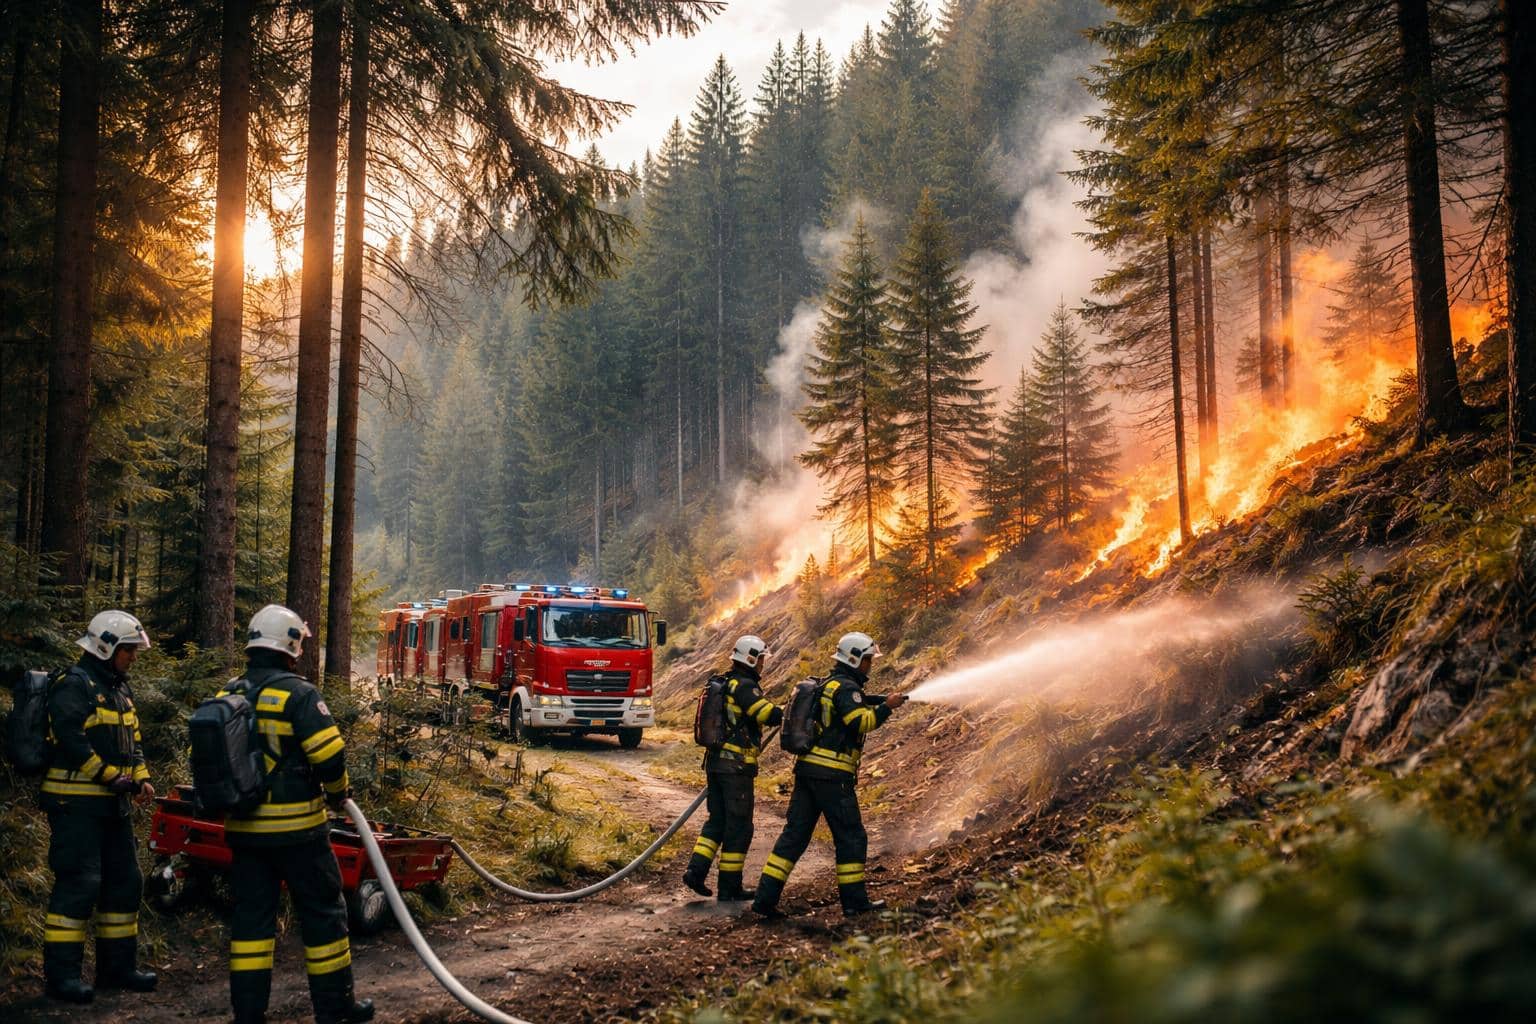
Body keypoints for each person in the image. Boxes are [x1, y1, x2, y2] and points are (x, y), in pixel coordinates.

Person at [221, 604, 372, 1024]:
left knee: (251, 925)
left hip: (244, 833)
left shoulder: (228, 693)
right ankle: (335, 1009)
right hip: (299, 834)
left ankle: (248, 1015)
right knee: (323, 916)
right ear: (289, 646)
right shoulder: (299, 694)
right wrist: (339, 794)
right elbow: (329, 756)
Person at [40, 610, 158, 1003]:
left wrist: (141, 777)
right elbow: (70, 740)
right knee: (80, 884)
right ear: (105, 647)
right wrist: (109, 777)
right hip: (74, 804)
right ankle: (61, 978)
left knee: (126, 882)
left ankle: (117, 969)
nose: (133, 657)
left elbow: (133, 741)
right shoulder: (74, 685)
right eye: (128, 650)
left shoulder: (119, 689)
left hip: (112, 806)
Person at [751, 631, 907, 919]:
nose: (870, 664)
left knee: (794, 836)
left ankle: (764, 899)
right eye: (868, 659)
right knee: (851, 837)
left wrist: (879, 700)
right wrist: (886, 707)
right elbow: (861, 721)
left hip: (807, 772)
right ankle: (854, 903)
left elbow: (851, 707)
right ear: (855, 659)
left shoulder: (830, 684)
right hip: (833, 776)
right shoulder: (846, 688)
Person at [682, 635, 783, 902]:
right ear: (750, 659)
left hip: (716, 764)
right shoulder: (745, 686)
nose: (762, 664)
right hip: (735, 769)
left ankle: (695, 872)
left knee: (717, 821)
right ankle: (729, 888)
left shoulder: (726, 682)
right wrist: (786, 712)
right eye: (760, 659)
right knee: (739, 827)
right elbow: (766, 714)